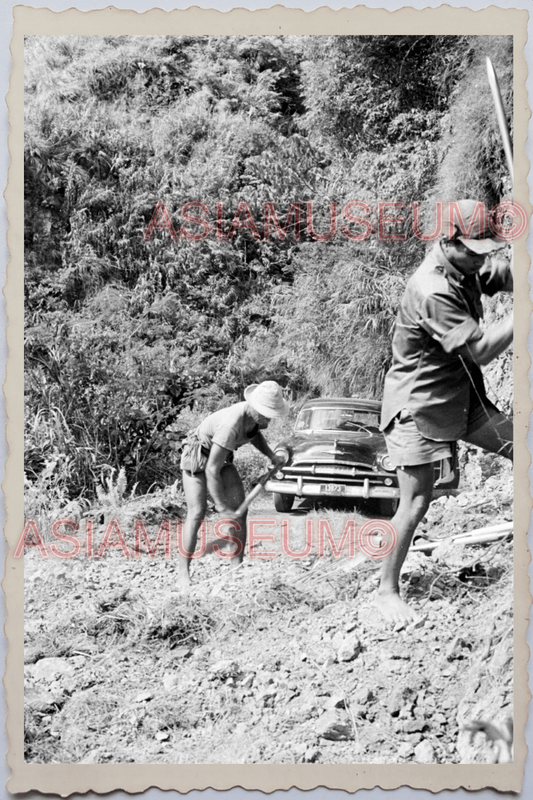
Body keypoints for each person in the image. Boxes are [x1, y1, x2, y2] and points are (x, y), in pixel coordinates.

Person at [378, 199, 513, 624]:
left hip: (460, 397)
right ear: (447, 240)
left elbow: (505, 273)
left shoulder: (466, 265)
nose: (480, 259)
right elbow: (484, 349)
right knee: (416, 501)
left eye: (484, 251)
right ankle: (386, 591)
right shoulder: (431, 289)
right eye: (473, 251)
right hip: (418, 407)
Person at [178, 380, 289, 588]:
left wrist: (272, 456)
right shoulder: (230, 425)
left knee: (240, 510)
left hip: (222, 458)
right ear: (255, 408)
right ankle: (183, 573)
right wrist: (222, 509)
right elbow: (211, 470)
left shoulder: (254, 419)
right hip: (197, 455)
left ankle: (236, 567)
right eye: (266, 414)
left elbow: (254, 435)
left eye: (270, 414)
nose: (268, 419)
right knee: (197, 512)